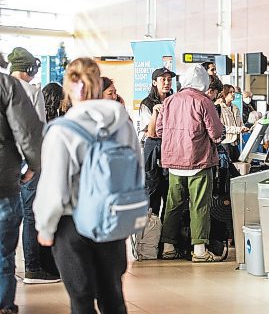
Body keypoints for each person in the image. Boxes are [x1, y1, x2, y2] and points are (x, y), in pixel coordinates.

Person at [34, 58, 140, 313]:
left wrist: (45, 228)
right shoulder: (122, 123)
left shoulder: (62, 131)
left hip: (72, 225)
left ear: (69, 87)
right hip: (112, 221)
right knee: (113, 295)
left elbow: (54, 187)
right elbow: (137, 169)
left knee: (81, 299)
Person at [158, 64, 225, 262]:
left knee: (173, 204)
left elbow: (160, 131)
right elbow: (216, 133)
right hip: (198, 160)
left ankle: (168, 247)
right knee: (199, 205)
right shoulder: (204, 101)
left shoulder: (169, 100)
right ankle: (199, 250)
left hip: (173, 161)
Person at [8, 47, 61, 285]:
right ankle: (33, 268)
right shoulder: (31, 91)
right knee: (30, 214)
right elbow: (35, 131)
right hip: (23, 161)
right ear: (30, 68)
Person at [0, 73, 43, 314]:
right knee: (2, 252)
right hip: (3, 182)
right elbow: (27, 131)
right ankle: (4, 306)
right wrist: (34, 165)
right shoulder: (6, 85)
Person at [139, 67, 175, 218]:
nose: (167, 83)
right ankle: (150, 237)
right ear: (154, 82)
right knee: (153, 194)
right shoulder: (146, 103)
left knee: (171, 195)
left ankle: (166, 238)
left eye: (169, 79)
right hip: (153, 150)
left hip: (171, 149)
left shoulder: (174, 100)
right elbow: (151, 133)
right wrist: (155, 112)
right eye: (163, 79)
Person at [217, 84, 249, 161]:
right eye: (230, 92)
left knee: (237, 164)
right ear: (225, 94)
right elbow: (222, 127)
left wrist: (244, 128)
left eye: (234, 92)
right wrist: (238, 129)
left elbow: (240, 123)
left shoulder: (235, 108)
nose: (233, 94)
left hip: (235, 142)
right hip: (225, 142)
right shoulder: (220, 108)